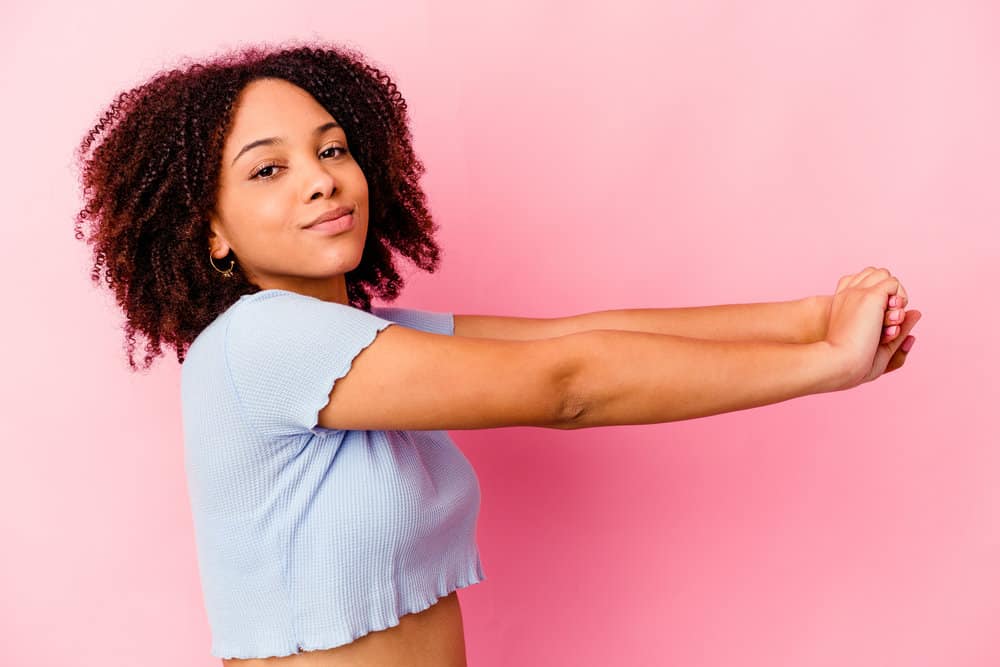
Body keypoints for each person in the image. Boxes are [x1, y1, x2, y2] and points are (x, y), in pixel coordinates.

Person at [72, 41, 922, 666]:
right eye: (267, 171)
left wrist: (812, 316)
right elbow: (567, 384)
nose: (321, 178)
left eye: (332, 148)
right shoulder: (262, 340)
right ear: (210, 230)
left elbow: (575, 335)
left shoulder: (365, 338)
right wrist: (826, 368)